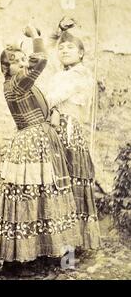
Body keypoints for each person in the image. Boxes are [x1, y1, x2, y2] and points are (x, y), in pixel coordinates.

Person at [0, 25, 79, 273]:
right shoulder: (16, 83)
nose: (24, 65)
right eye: (17, 62)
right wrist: (35, 37)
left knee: (40, 198)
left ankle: (36, 253)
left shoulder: (20, 83)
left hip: (37, 141)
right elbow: (42, 59)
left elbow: (39, 70)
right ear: (7, 68)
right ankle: (16, 261)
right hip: (30, 145)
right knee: (27, 199)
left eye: (23, 60)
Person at [42, 18, 101, 250]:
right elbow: (46, 53)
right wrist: (58, 30)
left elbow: (52, 98)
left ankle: (73, 243)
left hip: (68, 132)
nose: (64, 50)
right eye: (62, 48)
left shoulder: (80, 75)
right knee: (56, 184)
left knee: (70, 182)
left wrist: (48, 107)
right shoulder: (62, 73)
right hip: (55, 129)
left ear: (81, 53)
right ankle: (58, 241)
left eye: (70, 48)